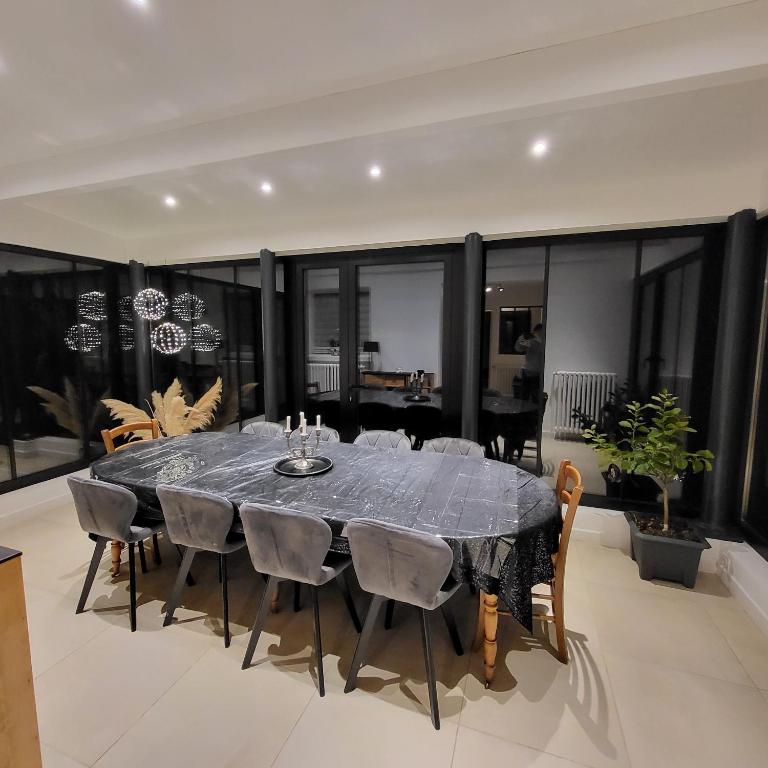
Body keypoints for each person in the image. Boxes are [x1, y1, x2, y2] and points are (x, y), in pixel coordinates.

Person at [514, 323, 543, 402]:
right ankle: (524, 413)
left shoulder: (544, 342)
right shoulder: (531, 341)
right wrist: (523, 337)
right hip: (528, 372)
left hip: (537, 374)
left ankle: (534, 413)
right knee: (524, 397)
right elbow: (518, 348)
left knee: (535, 398)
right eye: (538, 332)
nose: (539, 334)